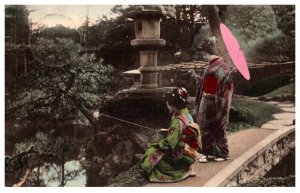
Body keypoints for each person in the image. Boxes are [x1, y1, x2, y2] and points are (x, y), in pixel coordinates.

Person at [141, 87, 201, 183]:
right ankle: (187, 166)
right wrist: (168, 130)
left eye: (168, 103)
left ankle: (182, 169)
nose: (167, 105)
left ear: (172, 105)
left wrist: (157, 145)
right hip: (188, 149)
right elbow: (182, 131)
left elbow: (169, 143)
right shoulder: (185, 114)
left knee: (151, 155)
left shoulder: (176, 120)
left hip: (180, 153)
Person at [189, 36, 233, 162]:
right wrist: (196, 76)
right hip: (208, 99)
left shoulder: (222, 67)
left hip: (214, 101)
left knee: (216, 126)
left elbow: (224, 86)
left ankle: (222, 153)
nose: (202, 57)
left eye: (203, 54)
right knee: (206, 127)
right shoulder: (214, 65)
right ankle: (211, 153)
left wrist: (217, 100)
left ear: (207, 53)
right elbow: (206, 83)